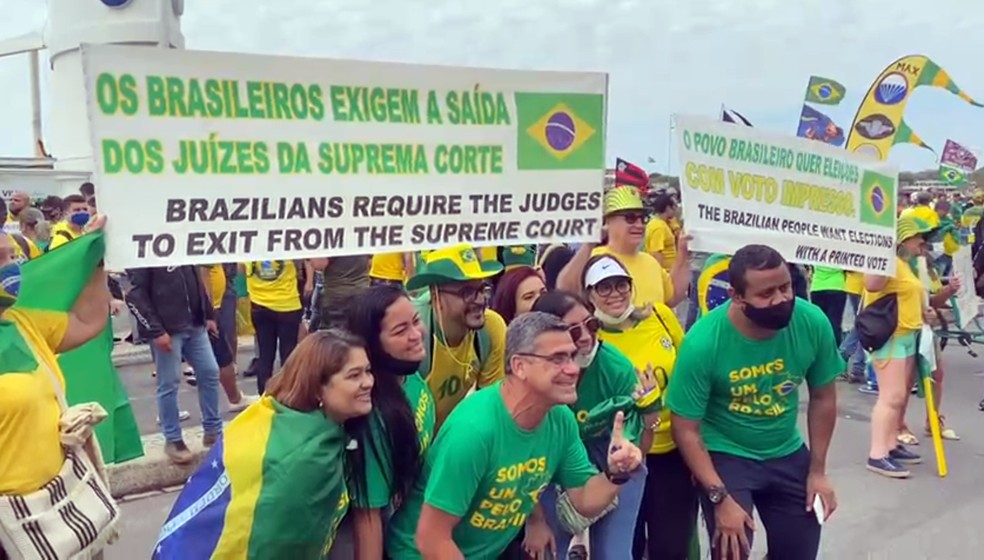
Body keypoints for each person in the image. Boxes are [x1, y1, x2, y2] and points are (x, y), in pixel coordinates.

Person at [385, 312, 645, 559]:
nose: (573, 369)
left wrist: (615, 473)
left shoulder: (560, 419)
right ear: (519, 366)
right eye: (557, 359)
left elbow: (585, 500)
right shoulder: (475, 431)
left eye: (571, 356)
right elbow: (431, 538)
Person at [667, 244, 841, 560]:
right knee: (732, 548)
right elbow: (686, 429)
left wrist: (818, 471)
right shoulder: (703, 342)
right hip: (726, 455)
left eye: (785, 286)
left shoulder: (812, 321)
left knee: (799, 552)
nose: (781, 299)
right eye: (766, 294)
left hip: (786, 451)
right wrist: (720, 498)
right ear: (737, 296)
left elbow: (823, 397)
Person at [153, 330, 374, 559]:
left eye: (368, 371)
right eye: (354, 376)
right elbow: (283, 547)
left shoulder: (272, 414)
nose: (367, 382)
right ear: (318, 387)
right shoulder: (309, 458)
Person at [0, 217, 113, 558]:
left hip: (64, 506)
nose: (12, 268)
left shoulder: (20, 322)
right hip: (11, 530)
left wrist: (94, 258)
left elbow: (88, 321)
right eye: (1, 259)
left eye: (10, 256)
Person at [577, 255, 699, 559]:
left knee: (671, 546)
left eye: (621, 284)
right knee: (623, 547)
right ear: (589, 295)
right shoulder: (589, 338)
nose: (615, 293)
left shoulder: (659, 315)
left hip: (673, 450)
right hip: (622, 457)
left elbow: (688, 370)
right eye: (603, 288)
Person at [530, 290, 661, 560]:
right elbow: (522, 458)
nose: (587, 338)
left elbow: (640, 449)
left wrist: (647, 422)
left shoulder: (617, 367)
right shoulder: (532, 374)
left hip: (608, 454)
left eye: (591, 325)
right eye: (573, 331)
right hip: (551, 463)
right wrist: (535, 520)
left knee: (613, 554)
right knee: (549, 552)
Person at [341, 285, 436, 560]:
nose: (416, 335)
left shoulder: (411, 378)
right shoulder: (373, 418)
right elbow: (368, 519)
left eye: (416, 321)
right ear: (372, 345)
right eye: (400, 330)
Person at [126, 264, 223, 464]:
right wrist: (156, 331)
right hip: (167, 329)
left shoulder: (180, 241)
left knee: (210, 372)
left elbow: (196, 281)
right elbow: (135, 295)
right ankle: (173, 439)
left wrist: (208, 315)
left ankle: (213, 430)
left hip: (195, 325)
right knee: (169, 382)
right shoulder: (146, 253)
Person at [404, 244, 507, 427]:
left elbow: (490, 405)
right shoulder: (414, 336)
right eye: (467, 292)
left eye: (482, 289)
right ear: (436, 298)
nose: (480, 300)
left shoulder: (491, 328)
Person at [862, 216, 933, 478]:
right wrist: (884, 249)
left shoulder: (904, 264)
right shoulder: (886, 259)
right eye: (918, 238)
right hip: (890, 336)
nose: (922, 244)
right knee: (890, 397)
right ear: (904, 239)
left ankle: (890, 445)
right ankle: (878, 453)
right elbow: (871, 283)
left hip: (906, 334)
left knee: (899, 396)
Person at [557, 185, 689, 310]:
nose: (639, 225)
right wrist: (589, 244)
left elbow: (673, 298)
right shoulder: (595, 259)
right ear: (608, 221)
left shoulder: (651, 262)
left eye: (642, 218)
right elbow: (566, 292)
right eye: (630, 218)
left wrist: (683, 252)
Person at [243, 259, 304, 394]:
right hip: (287, 303)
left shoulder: (250, 247)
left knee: (265, 356)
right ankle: (289, 396)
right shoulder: (284, 242)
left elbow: (242, 270)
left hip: (259, 303)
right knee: (288, 356)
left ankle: (264, 397)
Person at [809, 267, 847, 347]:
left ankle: (819, 348)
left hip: (817, 286)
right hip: (836, 285)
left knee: (819, 323)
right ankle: (834, 350)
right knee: (834, 323)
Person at [643, 192, 679, 269]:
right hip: (665, 272)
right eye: (674, 207)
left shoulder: (665, 223)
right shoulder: (659, 227)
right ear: (667, 208)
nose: (676, 210)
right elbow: (656, 253)